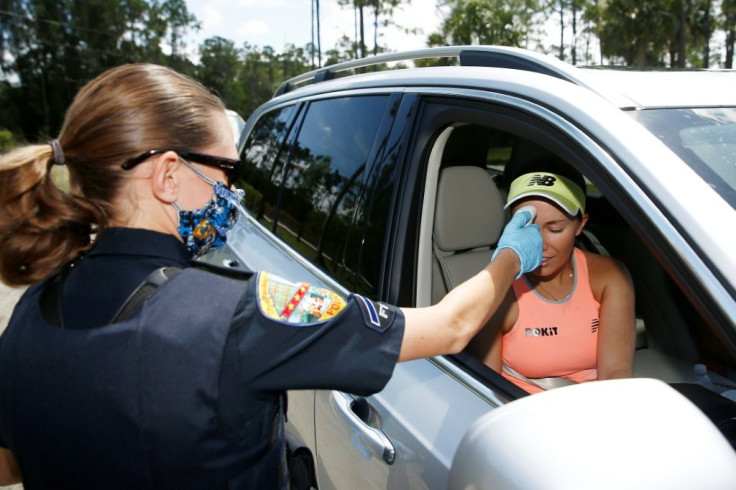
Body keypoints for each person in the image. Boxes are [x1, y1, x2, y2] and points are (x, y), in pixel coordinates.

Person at [0, 63, 542, 489]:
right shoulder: (240, 313)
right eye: (226, 171)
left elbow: (11, 463)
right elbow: (449, 327)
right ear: (168, 173)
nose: (233, 192)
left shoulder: (34, 309)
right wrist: (511, 255)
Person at [468, 161, 636, 394]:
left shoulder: (609, 278)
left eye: (555, 229)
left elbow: (615, 373)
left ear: (580, 225)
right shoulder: (500, 288)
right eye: (528, 228)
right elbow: (487, 391)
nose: (540, 244)